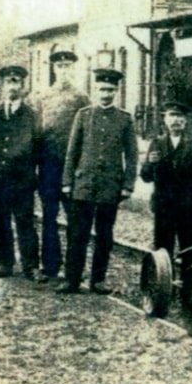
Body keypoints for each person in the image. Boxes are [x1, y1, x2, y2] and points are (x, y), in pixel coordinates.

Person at [58, 68, 138, 295]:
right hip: (83, 185)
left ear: (116, 91)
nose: (106, 94)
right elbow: (72, 152)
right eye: (102, 89)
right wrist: (67, 181)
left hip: (109, 188)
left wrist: (127, 185)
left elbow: (132, 156)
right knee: (77, 234)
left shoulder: (124, 119)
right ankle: (72, 280)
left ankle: (98, 280)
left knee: (105, 235)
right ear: (95, 89)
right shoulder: (83, 115)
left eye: (110, 90)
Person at [0, 65, 43, 281]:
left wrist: (23, 169)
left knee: (25, 222)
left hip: (21, 180)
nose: (12, 86)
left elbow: (37, 147)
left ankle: (31, 266)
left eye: (16, 82)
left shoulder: (32, 116)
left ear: (23, 87)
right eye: (8, 82)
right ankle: (5, 263)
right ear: (3, 85)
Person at [35, 50, 90, 282]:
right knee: (49, 216)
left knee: (76, 218)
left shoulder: (81, 98)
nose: (64, 70)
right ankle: (50, 264)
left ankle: (74, 269)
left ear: (73, 69)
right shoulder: (42, 98)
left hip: (74, 167)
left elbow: (88, 133)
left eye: (68, 66)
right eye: (60, 66)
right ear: (54, 69)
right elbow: (36, 133)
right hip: (48, 166)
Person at [140, 101, 192, 277]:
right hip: (164, 205)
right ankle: (163, 287)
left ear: (185, 121)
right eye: (171, 116)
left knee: (189, 249)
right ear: (165, 120)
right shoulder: (156, 143)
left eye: (179, 116)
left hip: (188, 206)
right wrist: (150, 163)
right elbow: (146, 176)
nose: (175, 120)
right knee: (163, 248)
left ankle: (188, 288)